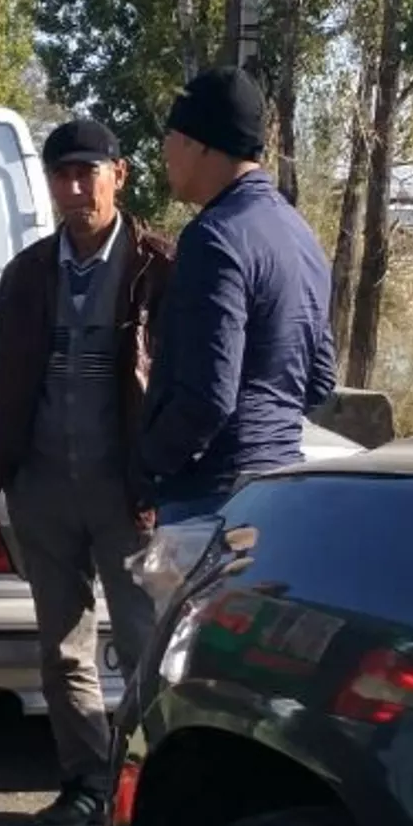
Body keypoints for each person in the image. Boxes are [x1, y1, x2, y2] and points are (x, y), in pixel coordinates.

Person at [0, 119, 175, 826]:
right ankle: (87, 782)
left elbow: (182, 380)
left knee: (146, 646)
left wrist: (158, 468)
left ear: (118, 175)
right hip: (44, 488)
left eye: (86, 173)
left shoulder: (159, 267)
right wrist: (10, 453)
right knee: (62, 648)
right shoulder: (27, 273)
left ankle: (154, 791)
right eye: (60, 174)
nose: (73, 189)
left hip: (128, 493)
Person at [142, 67, 337, 523]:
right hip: (281, 489)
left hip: (212, 500)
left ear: (200, 143)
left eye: (171, 135)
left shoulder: (214, 238)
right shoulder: (300, 234)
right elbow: (320, 379)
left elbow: (207, 398)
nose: (164, 150)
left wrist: (145, 466)